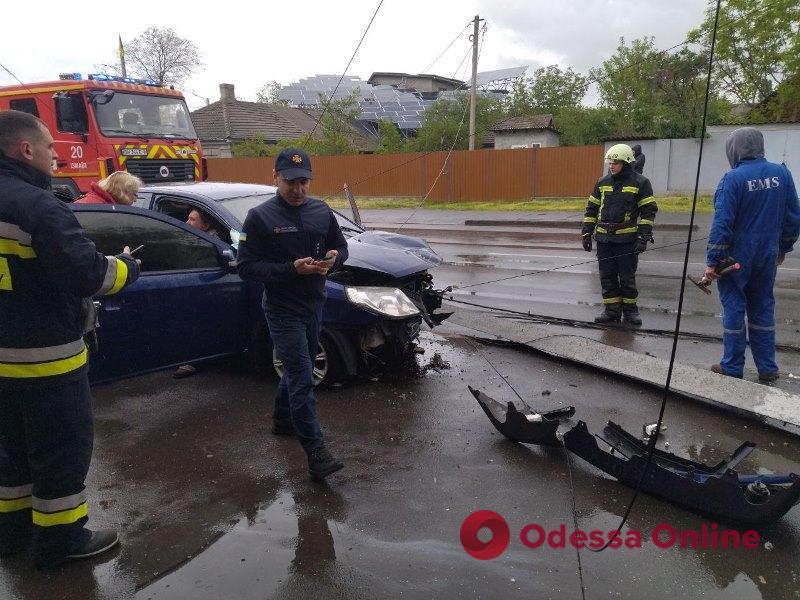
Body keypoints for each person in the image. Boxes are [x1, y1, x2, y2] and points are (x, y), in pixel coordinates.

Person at [0, 111, 140, 569]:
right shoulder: (39, 206)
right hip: (47, 361)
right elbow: (89, 275)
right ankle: (61, 541)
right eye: (48, 145)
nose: (55, 153)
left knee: (11, 454)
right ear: (25, 150)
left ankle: (12, 534)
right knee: (60, 451)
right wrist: (127, 267)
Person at [237, 147, 348, 480]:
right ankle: (316, 453)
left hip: (314, 304)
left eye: (304, 182)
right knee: (302, 374)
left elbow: (340, 246)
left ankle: (282, 420)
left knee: (297, 367)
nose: (298, 190)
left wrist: (333, 259)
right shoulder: (259, 217)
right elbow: (245, 267)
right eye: (291, 182)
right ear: (275, 177)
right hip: (282, 310)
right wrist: (290, 270)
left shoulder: (321, 210)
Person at [705, 127, 800, 383]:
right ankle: (768, 367)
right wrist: (784, 247)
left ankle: (733, 366)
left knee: (734, 307)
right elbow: (793, 216)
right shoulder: (782, 174)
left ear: (734, 149)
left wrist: (713, 261)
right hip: (767, 254)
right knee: (762, 307)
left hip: (736, 257)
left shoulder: (732, 179)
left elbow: (722, 223)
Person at [582, 144, 657, 326]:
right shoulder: (602, 182)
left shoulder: (641, 183)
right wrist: (586, 233)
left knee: (627, 277)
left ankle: (631, 312)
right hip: (604, 239)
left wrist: (643, 237)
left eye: (615, 162)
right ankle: (611, 311)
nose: (611, 166)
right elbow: (591, 209)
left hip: (626, 240)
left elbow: (648, 211)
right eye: (610, 162)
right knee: (606, 277)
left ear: (626, 162)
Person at [74, 171, 142, 205]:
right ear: (122, 192)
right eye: (134, 194)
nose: (136, 200)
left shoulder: (95, 201)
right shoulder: (102, 207)